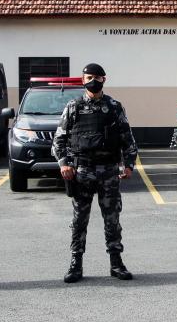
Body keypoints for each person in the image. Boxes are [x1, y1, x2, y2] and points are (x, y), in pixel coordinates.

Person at [52, 63, 138, 283]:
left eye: (97, 77)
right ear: (83, 80)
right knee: (80, 219)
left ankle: (116, 263)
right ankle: (75, 264)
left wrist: (128, 165)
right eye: (89, 77)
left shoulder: (115, 106)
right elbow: (59, 140)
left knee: (112, 219)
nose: (93, 81)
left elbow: (127, 139)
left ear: (104, 80)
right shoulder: (74, 107)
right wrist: (64, 164)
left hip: (109, 172)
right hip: (82, 171)